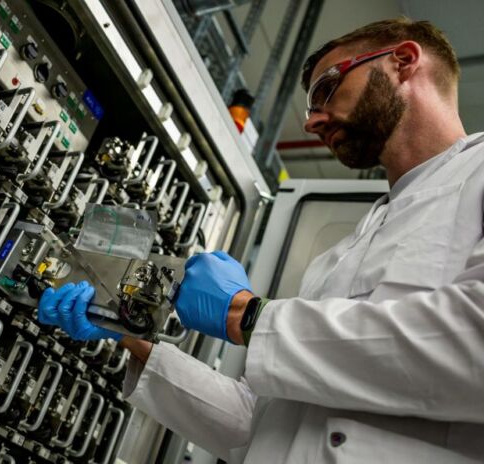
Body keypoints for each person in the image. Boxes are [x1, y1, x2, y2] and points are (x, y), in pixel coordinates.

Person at [38, 18, 484, 463]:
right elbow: (258, 425)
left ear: (403, 61)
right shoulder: (338, 258)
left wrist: (246, 315)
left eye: (327, 89)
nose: (312, 122)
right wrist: (127, 331)